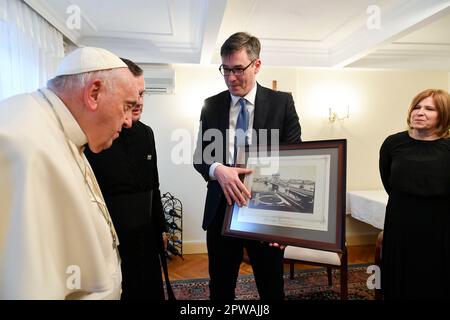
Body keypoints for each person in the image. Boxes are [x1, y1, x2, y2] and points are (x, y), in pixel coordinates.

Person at [0, 47, 138, 299]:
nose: (129, 121)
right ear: (94, 93)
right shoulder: (21, 142)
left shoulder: (65, 131)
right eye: (126, 106)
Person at [193, 32, 302, 300]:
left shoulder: (282, 103)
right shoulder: (211, 105)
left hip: (267, 213)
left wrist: (287, 223)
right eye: (225, 69)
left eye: (238, 69)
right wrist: (217, 169)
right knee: (220, 287)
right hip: (221, 212)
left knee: (271, 287)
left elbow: (295, 160)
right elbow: (200, 157)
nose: (231, 78)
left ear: (257, 65)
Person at [85, 59, 171, 300]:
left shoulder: (146, 133)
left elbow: (153, 184)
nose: (139, 101)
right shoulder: (95, 136)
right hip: (112, 238)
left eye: (142, 94)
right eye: (133, 95)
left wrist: (161, 228)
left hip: (146, 235)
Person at [379, 89, 450, 299]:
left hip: (440, 224)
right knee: (400, 276)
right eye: (417, 107)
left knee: (435, 276)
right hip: (401, 221)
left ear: (443, 115)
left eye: (429, 108)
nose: (420, 112)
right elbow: (388, 180)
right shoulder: (393, 143)